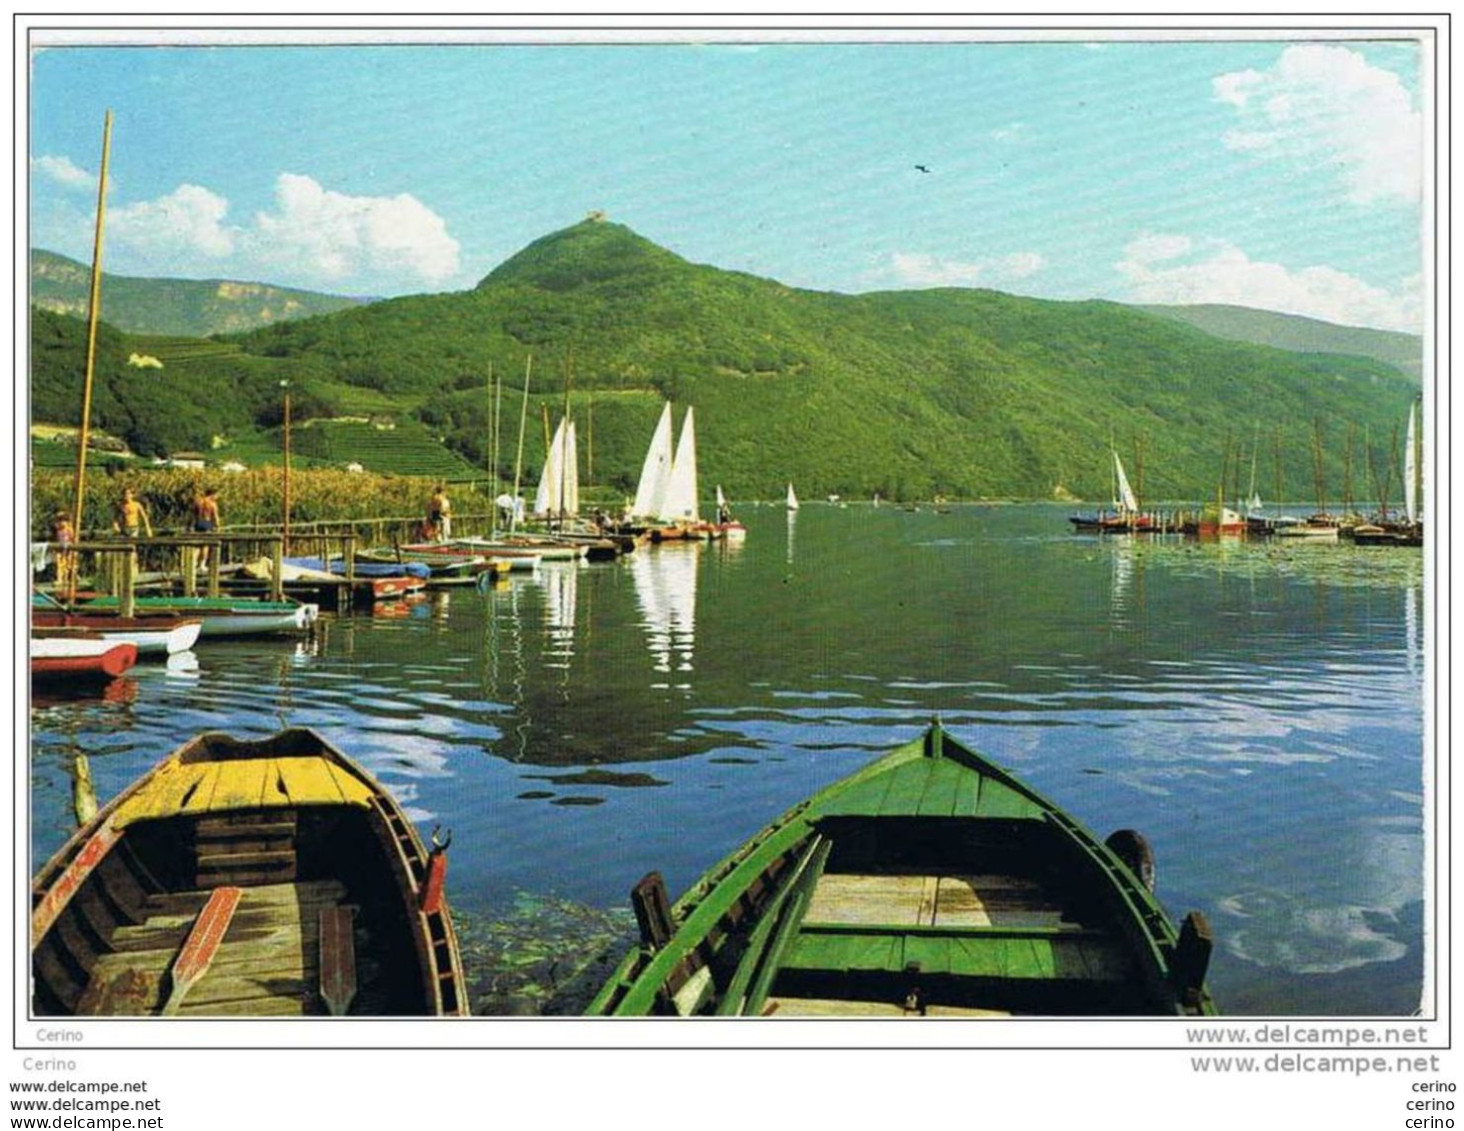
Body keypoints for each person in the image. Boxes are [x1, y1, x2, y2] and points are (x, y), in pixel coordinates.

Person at [193, 487, 221, 568]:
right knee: (205, 545)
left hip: (198, 523)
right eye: (216, 495)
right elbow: (215, 517)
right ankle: (202, 564)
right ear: (212, 494)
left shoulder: (198, 502)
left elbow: (193, 514)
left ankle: (193, 562)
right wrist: (218, 526)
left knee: (197, 544)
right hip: (207, 523)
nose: (216, 498)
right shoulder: (212, 504)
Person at [52, 510, 76, 589]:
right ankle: (59, 579)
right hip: (60, 549)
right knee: (59, 564)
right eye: (60, 521)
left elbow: (72, 538)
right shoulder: (58, 530)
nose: (61, 523)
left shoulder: (69, 529)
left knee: (68, 564)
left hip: (68, 549)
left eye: (63, 521)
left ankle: (69, 577)